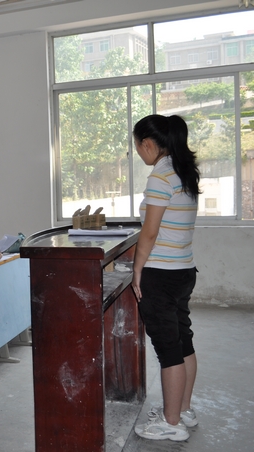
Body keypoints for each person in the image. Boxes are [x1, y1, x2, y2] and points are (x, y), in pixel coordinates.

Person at [131, 115, 201, 442]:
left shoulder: (160, 177)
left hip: (160, 274)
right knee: (183, 340)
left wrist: (137, 269)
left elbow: (150, 232)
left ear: (147, 144)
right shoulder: (184, 172)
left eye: (137, 146)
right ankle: (183, 410)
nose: (138, 152)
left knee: (168, 348)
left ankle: (171, 424)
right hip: (184, 270)